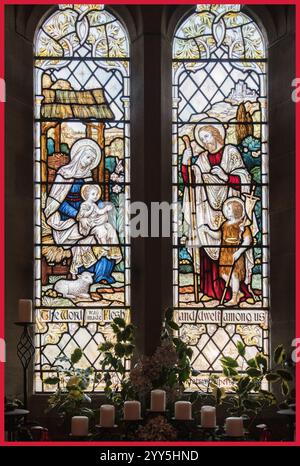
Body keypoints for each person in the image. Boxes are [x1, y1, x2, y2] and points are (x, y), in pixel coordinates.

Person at [181, 118, 257, 302]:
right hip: (207, 210)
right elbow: (189, 180)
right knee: (208, 249)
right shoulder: (201, 159)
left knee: (232, 252)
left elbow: (245, 178)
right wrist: (186, 160)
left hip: (232, 209)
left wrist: (225, 176)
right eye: (202, 138)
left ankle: (237, 290)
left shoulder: (230, 152)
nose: (205, 141)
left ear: (215, 134)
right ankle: (212, 291)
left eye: (207, 136)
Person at [44, 138, 122, 283]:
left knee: (108, 228)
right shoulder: (64, 174)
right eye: (88, 158)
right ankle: (84, 272)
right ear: (79, 155)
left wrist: (101, 209)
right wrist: (77, 215)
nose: (89, 162)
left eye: (92, 160)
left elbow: (92, 198)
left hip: (86, 217)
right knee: (97, 233)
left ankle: (103, 274)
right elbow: (58, 203)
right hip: (65, 221)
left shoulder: (87, 176)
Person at [201, 197, 253, 306]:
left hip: (235, 252)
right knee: (224, 274)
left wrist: (239, 252)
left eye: (229, 209)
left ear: (236, 210)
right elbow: (219, 235)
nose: (226, 211)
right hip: (225, 252)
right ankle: (238, 293)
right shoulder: (225, 224)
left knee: (234, 275)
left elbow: (248, 240)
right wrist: (208, 231)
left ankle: (234, 297)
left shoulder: (242, 225)